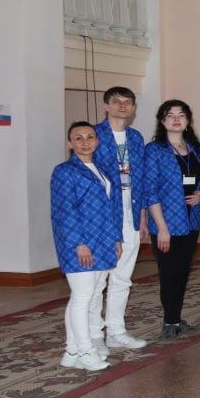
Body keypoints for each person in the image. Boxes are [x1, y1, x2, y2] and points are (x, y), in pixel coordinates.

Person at [51, 122, 122, 371]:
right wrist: (78, 244)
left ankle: (71, 351)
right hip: (79, 243)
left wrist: (116, 238)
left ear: (97, 141)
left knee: (86, 297)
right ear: (69, 143)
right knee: (82, 297)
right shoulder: (64, 171)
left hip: (102, 241)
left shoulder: (100, 168)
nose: (85, 142)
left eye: (90, 137)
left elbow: (111, 207)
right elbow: (65, 211)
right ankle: (85, 350)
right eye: (78, 138)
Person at [142, 100, 200, 339]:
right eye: (170, 115)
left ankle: (177, 317)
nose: (176, 119)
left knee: (182, 271)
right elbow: (150, 191)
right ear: (162, 120)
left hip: (191, 221)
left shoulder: (196, 149)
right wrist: (161, 228)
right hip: (166, 222)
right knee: (169, 272)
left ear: (188, 120)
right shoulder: (155, 150)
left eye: (181, 115)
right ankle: (170, 321)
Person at [91, 86, 149, 352]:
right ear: (106, 106)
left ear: (134, 108)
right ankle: (94, 335)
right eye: (116, 101)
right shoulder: (93, 135)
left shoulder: (135, 138)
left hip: (131, 213)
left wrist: (143, 218)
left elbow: (141, 180)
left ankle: (116, 331)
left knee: (123, 277)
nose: (122, 106)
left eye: (128, 102)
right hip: (103, 215)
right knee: (97, 279)